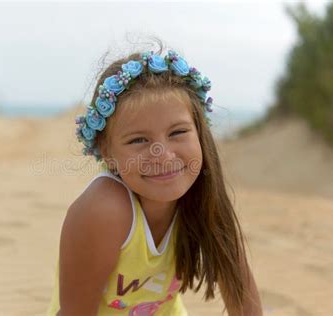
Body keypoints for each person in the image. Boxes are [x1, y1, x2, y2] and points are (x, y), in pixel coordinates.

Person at [46, 43, 263, 316]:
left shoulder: (205, 199)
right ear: (107, 151)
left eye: (177, 132)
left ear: (200, 133)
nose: (162, 154)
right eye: (139, 140)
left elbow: (244, 303)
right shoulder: (103, 211)